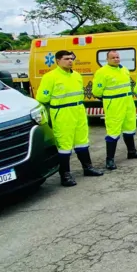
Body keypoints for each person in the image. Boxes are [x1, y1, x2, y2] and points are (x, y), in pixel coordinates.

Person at [36, 50, 104, 186]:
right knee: (64, 145)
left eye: (71, 58)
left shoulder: (77, 76)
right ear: (58, 61)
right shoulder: (50, 77)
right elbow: (42, 98)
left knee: (82, 141)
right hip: (62, 113)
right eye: (66, 58)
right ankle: (65, 175)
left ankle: (88, 167)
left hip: (78, 111)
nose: (70, 61)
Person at [92, 49, 137, 170]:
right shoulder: (102, 72)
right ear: (107, 59)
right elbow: (96, 92)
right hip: (114, 105)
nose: (116, 59)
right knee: (113, 131)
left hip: (127, 103)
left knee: (129, 127)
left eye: (117, 57)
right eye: (113, 58)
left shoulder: (124, 69)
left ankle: (132, 152)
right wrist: (109, 100)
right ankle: (109, 160)